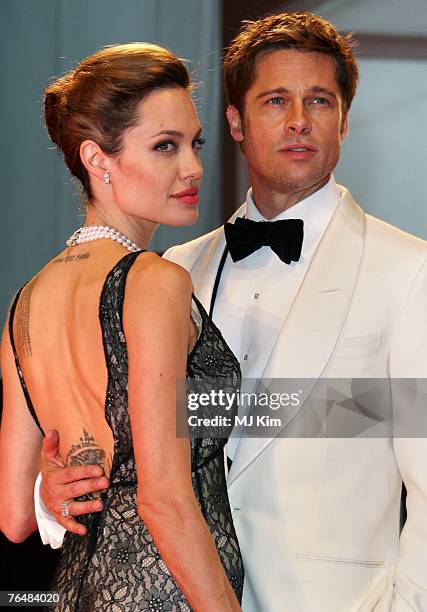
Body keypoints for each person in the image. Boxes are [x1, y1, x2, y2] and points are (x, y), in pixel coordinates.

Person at [35, 12, 427, 611]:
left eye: (319, 101)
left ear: (344, 119)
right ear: (236, 121)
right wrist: (52, 491)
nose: (299, 121)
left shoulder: (408, 270)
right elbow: (127, 446)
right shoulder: (172, 270)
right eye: (275, 101)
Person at [0, 42, 244, 611]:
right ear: (97, 159)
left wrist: (50, 492)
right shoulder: (154, 280)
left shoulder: (25, 301)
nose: (193, 168)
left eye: (193, 143)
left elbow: (14, 514)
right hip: (167, 593)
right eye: (165, 147)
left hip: (79, 592)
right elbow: (162, 499)